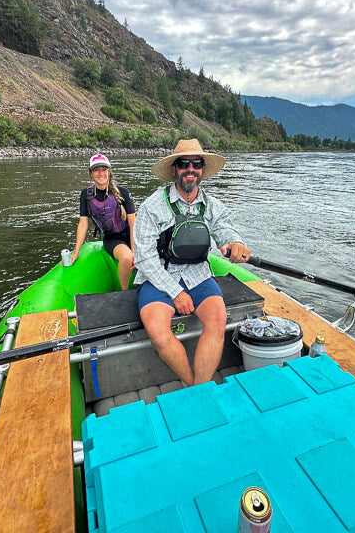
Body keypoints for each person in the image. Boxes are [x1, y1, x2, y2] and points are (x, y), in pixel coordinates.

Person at [133, 139, 251, 386]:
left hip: (198, 274)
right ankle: (193, 385)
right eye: (184, 163)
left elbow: (226, 231)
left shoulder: (213, 206)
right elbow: (144, 257)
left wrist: (235, 244)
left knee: (218, 319)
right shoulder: (151, 206)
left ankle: (201, 386)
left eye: (196, 164)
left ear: (202, 169)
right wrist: (175, 292)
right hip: (159, 277)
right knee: (157, 332)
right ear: (175, 169)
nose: (190, 169)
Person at [72, 154, 136, 290]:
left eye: (104, 169)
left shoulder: (123, 192)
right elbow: (83, 224)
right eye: (96, 170)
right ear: (91, 174)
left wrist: (136, 250)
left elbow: (133, 224)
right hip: (113, 239)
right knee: (126, 257)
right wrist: (76, 252)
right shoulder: (86, 195)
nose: (101, 173)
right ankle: (124, 291)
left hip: (132, 236)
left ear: (109, 172)